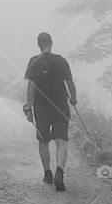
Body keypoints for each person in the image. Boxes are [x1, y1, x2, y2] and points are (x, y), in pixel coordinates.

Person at [23, 32, 76, 191]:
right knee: (61, 141)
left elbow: (31, 87)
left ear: (39, 45)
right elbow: (70, 83)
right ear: (51, 43)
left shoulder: (34, 62)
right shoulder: (61, 61)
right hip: (60, 105)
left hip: (41, 107)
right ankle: (60, 170)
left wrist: (29, 107)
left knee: (43, 141)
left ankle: (48, 174)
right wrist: (73, 98)